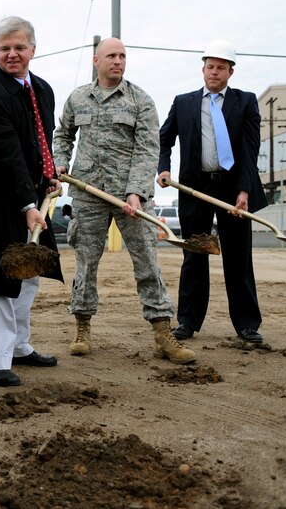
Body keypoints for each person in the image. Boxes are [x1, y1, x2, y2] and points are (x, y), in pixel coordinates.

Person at [52, 37, 195, 365]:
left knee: (147, 262)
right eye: (112, 56)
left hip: (130, 197)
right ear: (96, 61)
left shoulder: (140, 100)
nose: (118, 61)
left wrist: (136, 192)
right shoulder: (77, 98)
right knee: (86, 264)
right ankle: (82, 328)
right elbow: (63, 134)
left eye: (123, 56)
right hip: (88, 193)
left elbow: (148, 149)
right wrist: (61, 160)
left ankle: (162, 333)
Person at [0, 16, 62, 388]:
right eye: (5, 48)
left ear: (33, 50)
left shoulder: (42, 90)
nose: (12, 54)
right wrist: (27, 204)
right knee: (1, 277)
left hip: (28, 192)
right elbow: (5, 154)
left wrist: (48, 174)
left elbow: (38, 142)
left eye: (19, 47)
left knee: (29, 272)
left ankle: (19, 346)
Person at [158, 39, 266, 344]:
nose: (214, 72)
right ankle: (188, 322)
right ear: (203, 69)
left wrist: (244, 189)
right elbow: (164, 139)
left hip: (232, 188)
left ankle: (247, 324)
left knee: (238, 257)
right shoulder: (184, 102)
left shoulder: (245, 102)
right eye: (210, 66)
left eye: (221, 67)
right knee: (194, 255)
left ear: (231, 72)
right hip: (195, 188)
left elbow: (250, 149)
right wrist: (163, 168)